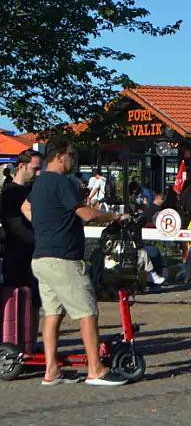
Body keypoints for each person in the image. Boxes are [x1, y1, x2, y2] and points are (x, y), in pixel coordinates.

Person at [22, 139, 127, 385]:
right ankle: (96, 369)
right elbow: (86, 213)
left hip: (42, 257)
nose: (73, 159)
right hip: (64, 258)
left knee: (52, 314)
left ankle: (51, 371)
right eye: (71, 154)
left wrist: (43, 228)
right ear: (59, 156)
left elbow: (25, 207)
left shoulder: (39, 183)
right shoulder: (61, 182)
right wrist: (115, 216)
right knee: (87, 312)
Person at [1, 150, 44, 348]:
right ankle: (11, 345)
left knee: (35, 301)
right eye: (35, 169)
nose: (38, 174)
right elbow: (14, 226)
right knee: (13, 302)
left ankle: (30, 345)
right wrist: (42, 240)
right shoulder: (9, 193)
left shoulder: (32, 191)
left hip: (32, 253)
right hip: (16, 253)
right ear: (21, 166)